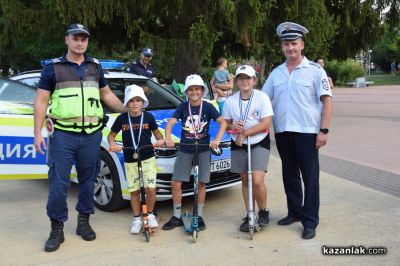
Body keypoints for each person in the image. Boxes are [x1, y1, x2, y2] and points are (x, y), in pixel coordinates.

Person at [33, 23, 126, 252]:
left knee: (88, 180)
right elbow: (41, 101)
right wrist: (37, 132)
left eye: (84, 39)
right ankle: (56, 228)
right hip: (63, 135)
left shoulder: (95, 67)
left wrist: (127, 110)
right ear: (67, 39)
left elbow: (106, 94)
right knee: (58, 184)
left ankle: (83, 222)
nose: (80, 42)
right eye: (76, 38)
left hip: (92, 135)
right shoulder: (52, 69)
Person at [262, 22, 333, 240]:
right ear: (282, 47)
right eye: (286, 44)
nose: (290, 48)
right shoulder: (277, 73)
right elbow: (263, 100)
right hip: (283, 132)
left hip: (307, 132)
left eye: (294, 43)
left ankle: (310, 221)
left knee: (310, 178)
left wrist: (324, 131)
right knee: (289, 175)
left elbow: (327, 101)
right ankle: (294, 212)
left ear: (302, 44)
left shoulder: (315, 71)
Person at [162, 74, 227, 231]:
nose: (194, 92)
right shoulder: (183, 107)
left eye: (197, 89)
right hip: (185, 148)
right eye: (190, 90)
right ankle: (177, 216)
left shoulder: (208, 106)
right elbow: (170, 124)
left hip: (203, 149)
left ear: (202, 90)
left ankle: (199, 216)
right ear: (186, 92)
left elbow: (223, 122)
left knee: (201, 183)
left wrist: (217, 140)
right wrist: (168, 138)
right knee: (176, 182)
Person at [222, 65, 273, 232]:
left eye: (248, 78)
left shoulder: (262, 97)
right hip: (238, 142)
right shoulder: (230, 101)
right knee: (245, 180)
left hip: (259, 140)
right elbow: (226, 122)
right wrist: (233, 126)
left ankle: (263, 211)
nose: (245, 81)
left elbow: (266, 123)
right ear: (236, 81)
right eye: (241, 78)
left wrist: (244, 133)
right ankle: (250, 213)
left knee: (257, 180)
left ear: (254, 80)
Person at [107, 85, 164, 234]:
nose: (135, 103)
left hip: (148, 158)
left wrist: (160, 140)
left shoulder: (149, 117)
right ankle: (137, 218)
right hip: (130, 159)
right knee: (134, 191)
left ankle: (150, 215)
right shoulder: (122, 118)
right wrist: (113, 145)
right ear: (127, 103)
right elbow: (111, 136)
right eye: (131, 100)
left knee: (151, 189)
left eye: (138, 100)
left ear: (143, 102)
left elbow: (158, 134)